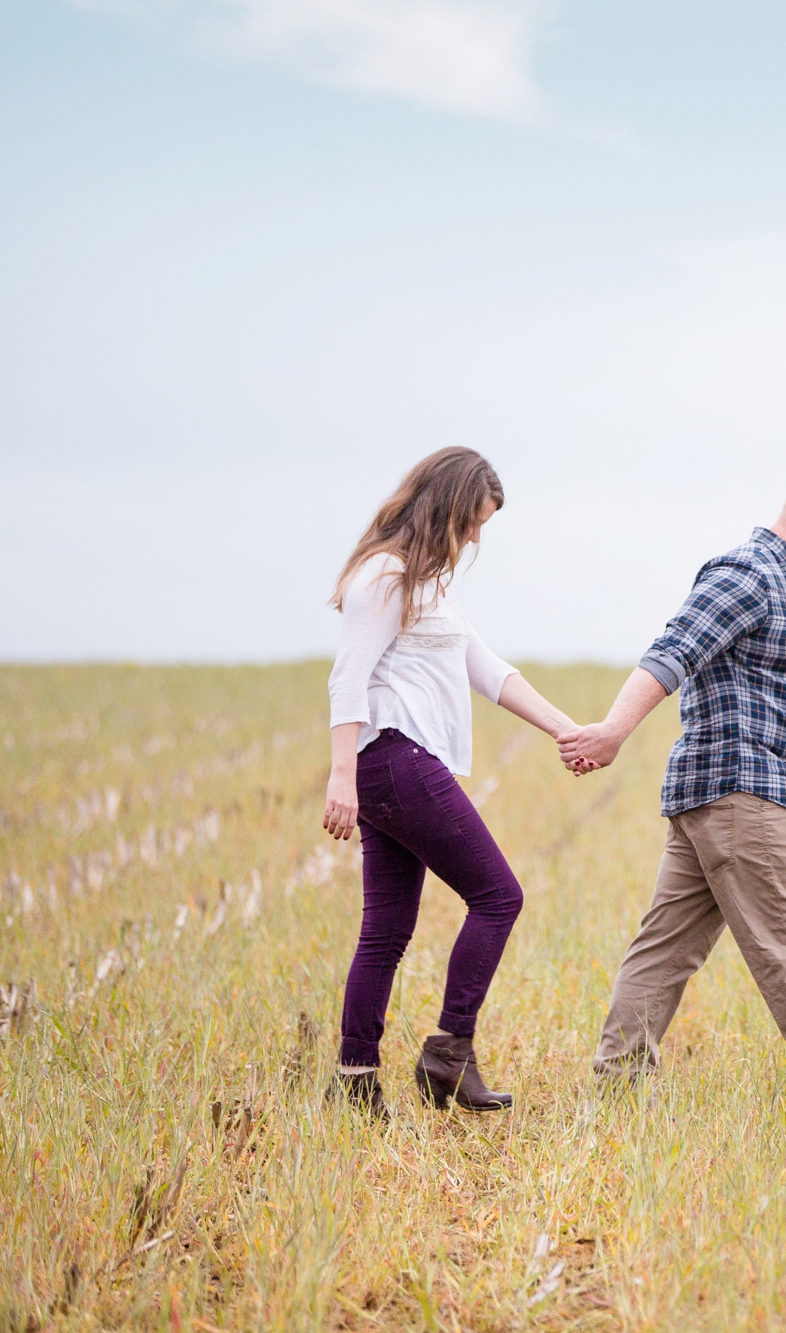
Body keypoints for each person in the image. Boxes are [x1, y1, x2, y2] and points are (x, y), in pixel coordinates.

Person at [558, 466, 786, 1109]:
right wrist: (614, 731)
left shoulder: (783, 587)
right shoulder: (750, 574)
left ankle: (617, 1089)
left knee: (665, 947)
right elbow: (673, 649)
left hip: (720, 794)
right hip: (744, 794)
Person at [322, 448, 578, 1119]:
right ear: (448, 505)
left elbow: (488, 669)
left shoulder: (428, 584)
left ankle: (355, 1078)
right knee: (499, 895)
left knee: (386, 926)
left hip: (398, 760)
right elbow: (347, 677)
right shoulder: (384, 574)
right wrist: (341, 776)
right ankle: (448, 1051)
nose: (474, 538)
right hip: (394, 757)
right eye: (473, 522)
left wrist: (566, 729)